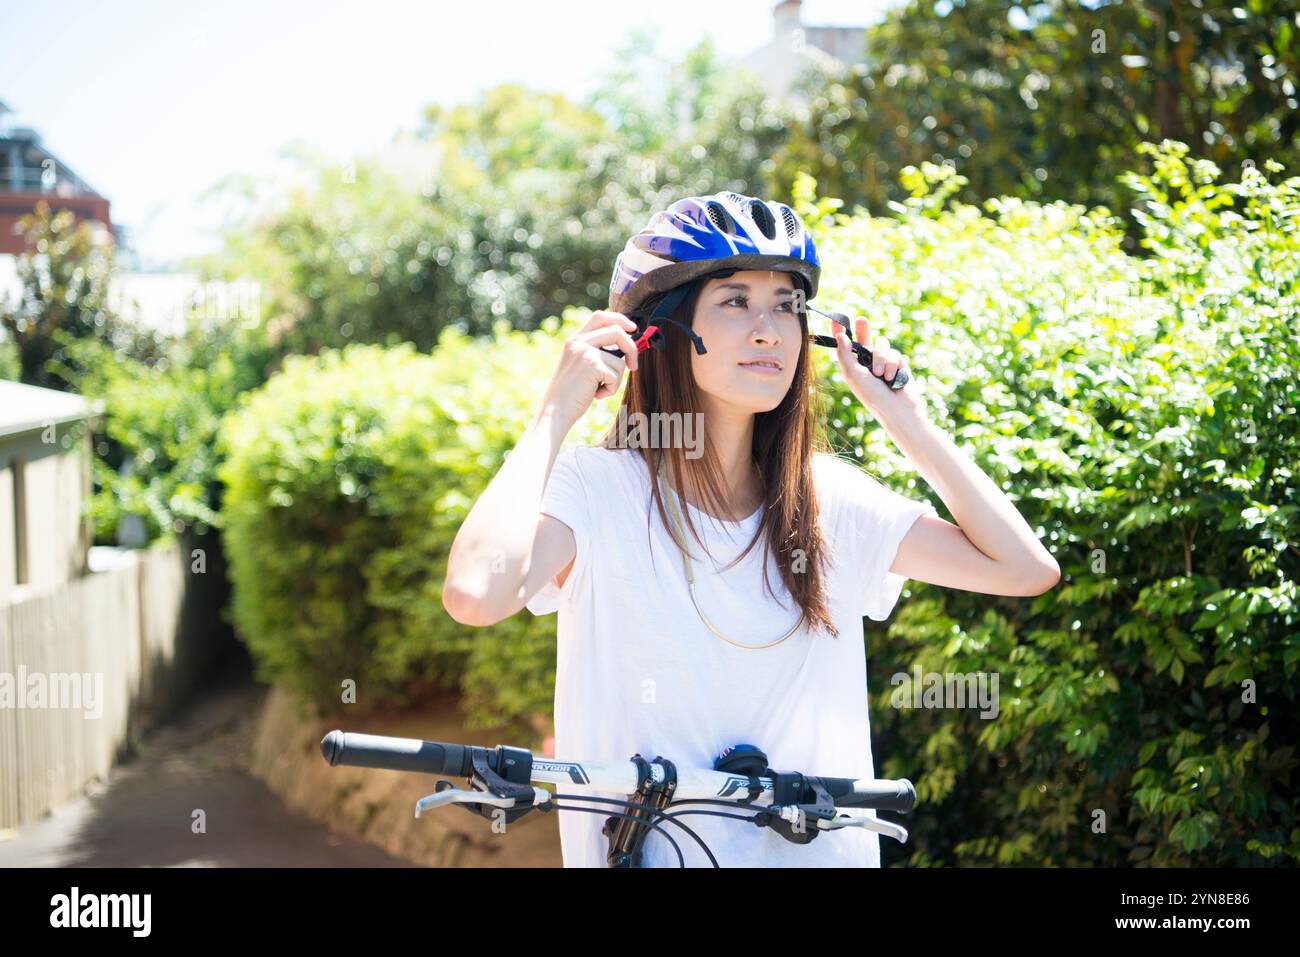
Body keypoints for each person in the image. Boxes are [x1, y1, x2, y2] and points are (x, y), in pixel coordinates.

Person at [443, 191, 1060, 867]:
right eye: (735, 301)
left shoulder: (827, 500)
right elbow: (476, 592)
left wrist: (905, 417)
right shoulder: (596, 488)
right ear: (658, 330)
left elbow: (1023, 569)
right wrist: (552, 418)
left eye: (787, 305)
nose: (769, 329)